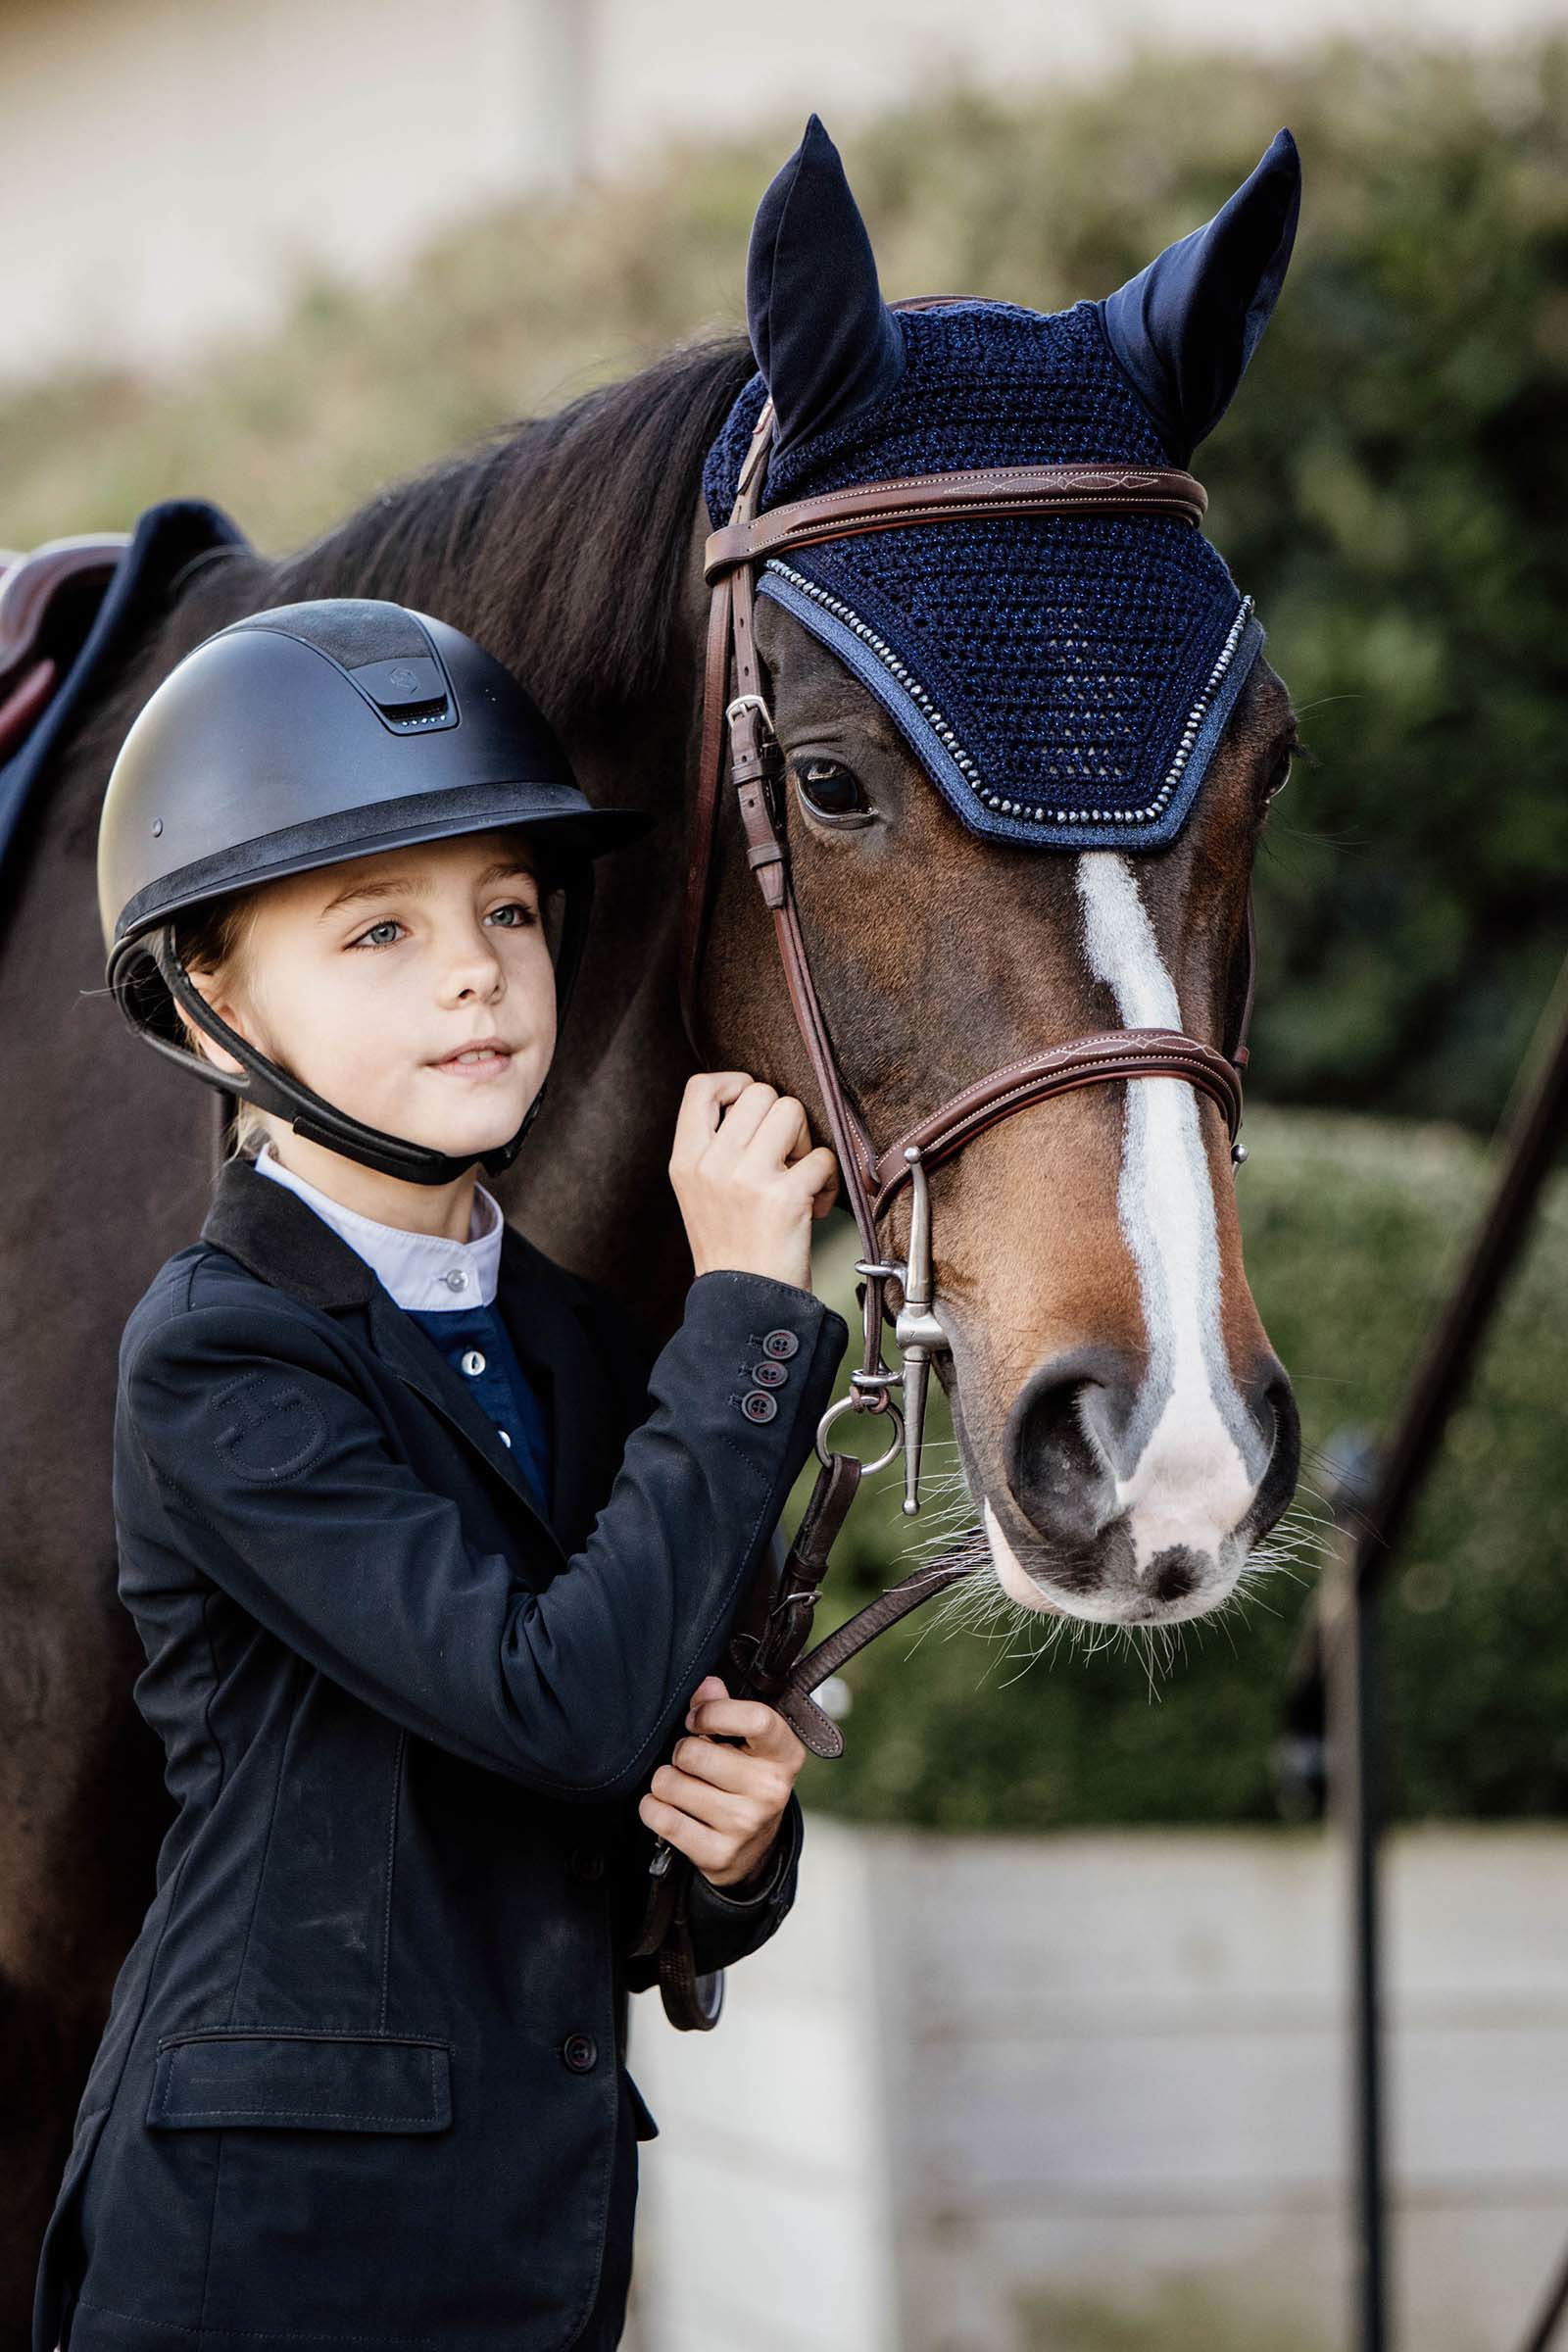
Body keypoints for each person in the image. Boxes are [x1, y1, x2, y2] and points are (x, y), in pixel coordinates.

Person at [32, 598, 848, 2352]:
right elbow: (550, 1705)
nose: (473, 968)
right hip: (271, 2253)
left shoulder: (595, 1343)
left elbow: (625, 1771)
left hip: (536, 2237)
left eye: (503, 911)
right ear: (208, 995)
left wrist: (734, 1852)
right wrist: (751, 1313)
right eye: (378, 929)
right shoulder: (222, 1352)